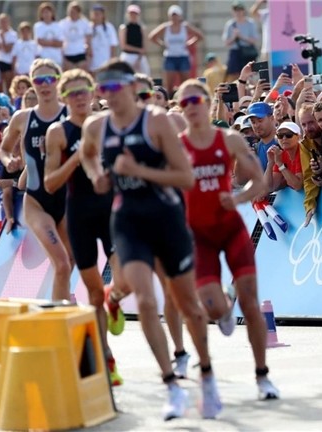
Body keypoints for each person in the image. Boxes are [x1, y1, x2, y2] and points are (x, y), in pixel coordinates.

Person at [79, 59, 221, 420]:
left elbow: (186, 177)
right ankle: (171, 385)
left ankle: (206, 373)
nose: (109, 95)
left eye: (114, 88)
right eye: (103, 89)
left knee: (188, 306)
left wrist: (137, 170)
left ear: (130, 87)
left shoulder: (156, 121)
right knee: (144, 301)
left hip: (166, 218)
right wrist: (96, 176)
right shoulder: (97, 125)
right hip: (128, 221)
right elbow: (87, 153)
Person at [177, 78, 279, 400]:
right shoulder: (177, 147)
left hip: (231, 229)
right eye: (184, 103)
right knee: (212, 308)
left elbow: (259, 182)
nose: (191, 107)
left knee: (250, 301)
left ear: (207, 104)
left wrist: (237, 199)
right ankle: (222, 307)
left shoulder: (229, 139)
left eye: (196, 101)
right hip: (199, 235)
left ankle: (262, 376)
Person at [43, 68, 123, 386]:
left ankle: (115, 299)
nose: (79, 98)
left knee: (126, 277)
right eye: (72, 93)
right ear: (64, 98)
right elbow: (49, 183)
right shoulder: (58, 133)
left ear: (93, 92)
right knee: (93, 293)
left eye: (83, 91)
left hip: (111, 210)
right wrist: (77, 158)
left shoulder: (106, 124)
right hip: (78, 215)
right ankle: (106, 357)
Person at [0, 58, 72, 301]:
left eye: (50, 78)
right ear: (32, 82)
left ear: (58, 81)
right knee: (61, 263)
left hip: (67, 199)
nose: (45, 84)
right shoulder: (22, 118)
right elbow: (4, 148)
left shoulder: (70, 115)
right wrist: (8, 160)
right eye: (39, 79)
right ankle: (59, 314)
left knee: (68, 263)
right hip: (37, 201)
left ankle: (61, 306)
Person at [148, 5, 204, 92]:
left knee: (185, 84)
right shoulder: (166, 27)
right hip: (170, 57)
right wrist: (162, 44)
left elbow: (200, 36)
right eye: (172, 15)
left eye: (176, 15)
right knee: (169, 85)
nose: (174, 17)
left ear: (180, 16)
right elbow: (152, 36)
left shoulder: (185, 26)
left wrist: (190, 43)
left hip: (183, 57)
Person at [222, 2, 259, 82]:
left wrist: (241, 37)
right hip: (235, 52)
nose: (238, 12)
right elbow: (226, 42)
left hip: (248, 53)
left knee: (250, 75)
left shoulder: (250, 23)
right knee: (234, 75)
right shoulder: (230, 24)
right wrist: (234, 37)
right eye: (236, 10)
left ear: (243, 11)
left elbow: (254, 40)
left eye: (240, 10)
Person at [264, 121, 303, 192]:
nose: (284, 138)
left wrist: (280, 164)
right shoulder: (280, 154)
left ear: (298, 136)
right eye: (280, 136)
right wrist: (270, 163)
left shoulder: (302, 151)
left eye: (288, 135)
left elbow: (297, 185)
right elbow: (270, 187)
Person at [59, 1, 92, 71]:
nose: (72, 14)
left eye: (75, 12)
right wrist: (62, 57)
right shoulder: (63, 23)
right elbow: (61, 41)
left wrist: (88, 56)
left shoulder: (84, 23)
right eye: (71, 12)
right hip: (68, 53)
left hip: (80, 52)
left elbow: (88, 40)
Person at [118, 4, 150, 76]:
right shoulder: (124, 28)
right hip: (127, 55)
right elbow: (123, 46)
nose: (133, 16)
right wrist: (138, 50)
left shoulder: (142, 29)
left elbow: (144, 47)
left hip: (140, 57)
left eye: (135, 14)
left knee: (146, 74)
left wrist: (139, 59)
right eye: (131, 14)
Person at [89, 4, 118, 74]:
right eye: (95, 14)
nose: (96, 16)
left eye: (98, 14)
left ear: (103, 15)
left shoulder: (109, 28)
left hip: (105, 64)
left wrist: (112, 63)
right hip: (91, 64)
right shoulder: (88, 27)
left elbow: (113, 46)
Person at [34, 2, 63, 67]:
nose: (46, 14)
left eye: (48, 12)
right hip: (43, 58)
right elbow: (40, 42)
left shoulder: (58, 26)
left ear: (52, 13)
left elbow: (60, 43)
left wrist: (46, 42)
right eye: (44, 12)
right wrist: (53, 42)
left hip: (56, 58)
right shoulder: (38, 26)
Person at [0, 13, 17, 93]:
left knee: (8, 85)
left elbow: (7, 49)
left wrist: (2, 38)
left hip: (8, 62)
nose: (3, 24)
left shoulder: (13, 34)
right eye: (1, 22)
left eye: (4, 21)